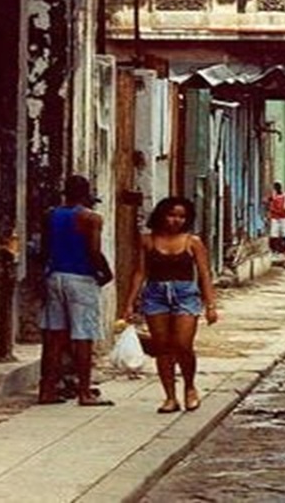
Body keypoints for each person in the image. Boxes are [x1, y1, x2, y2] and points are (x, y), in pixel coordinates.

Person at [123, 197, 219, 414]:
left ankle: (190, 387)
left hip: (185, 296)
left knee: (183, 345)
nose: (176, 220)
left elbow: (204, 274)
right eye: (172, 215)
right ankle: (170, 397)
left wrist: (210, 305)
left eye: (181, 216)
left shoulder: (192, 242)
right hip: (155, 296)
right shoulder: (148, 241)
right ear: (162, 215)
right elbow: (140, 272)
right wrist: (129, 303)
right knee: (162, 347)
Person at [38, 175, 113, 407]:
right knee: (83, 335)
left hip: (55, 276)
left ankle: (47, 390)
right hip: (81, 278)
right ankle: (84, 392)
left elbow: (44, 249)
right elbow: (94, 251)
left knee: (54, 336)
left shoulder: (50, 215)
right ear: (86, 194)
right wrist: (106, 273)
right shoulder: (90, 217)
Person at [266, 182, 285, 255]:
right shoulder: (273, 197)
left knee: (284, 233)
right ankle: (276, 249)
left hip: (283, 217)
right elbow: (267, 203)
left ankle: (283, 248)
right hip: (275, 217)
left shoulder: (284, 197)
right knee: (274, 234)